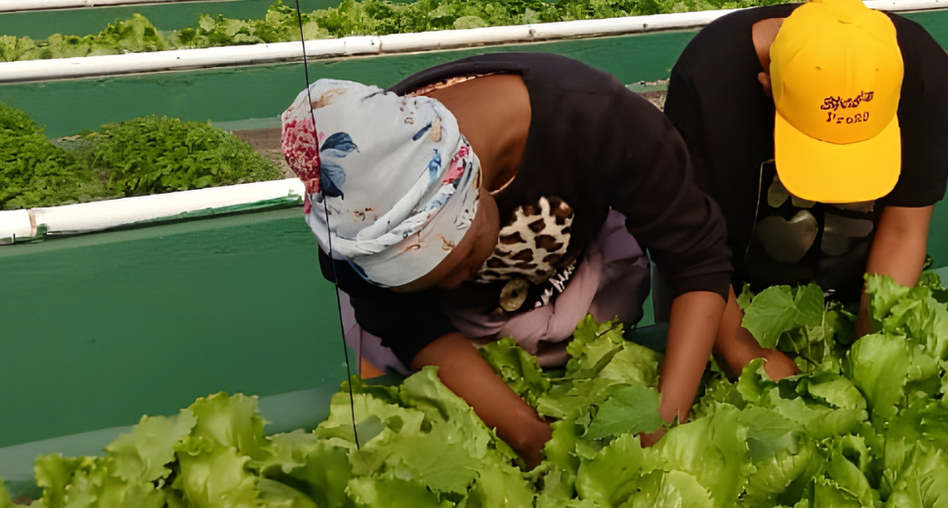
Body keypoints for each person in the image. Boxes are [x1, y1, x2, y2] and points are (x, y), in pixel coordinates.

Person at [282, 53, 757, 465]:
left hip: (572, 282)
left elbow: (694, 254)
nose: (451, 286)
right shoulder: (350, 208)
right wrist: (526, 433)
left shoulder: (595, 117)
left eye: (462, 259)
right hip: (450, 340)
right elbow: (408, 323)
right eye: (424, 281)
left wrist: (664, 419)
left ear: (476, 183)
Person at [664, 0, 948, 379]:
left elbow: (903, 231)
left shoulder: (921, 72)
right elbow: (692, 245)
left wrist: (873, 348)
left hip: (852, 291)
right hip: (723, 297)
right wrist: (740, 347)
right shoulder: (708, 79)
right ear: (767, 85)